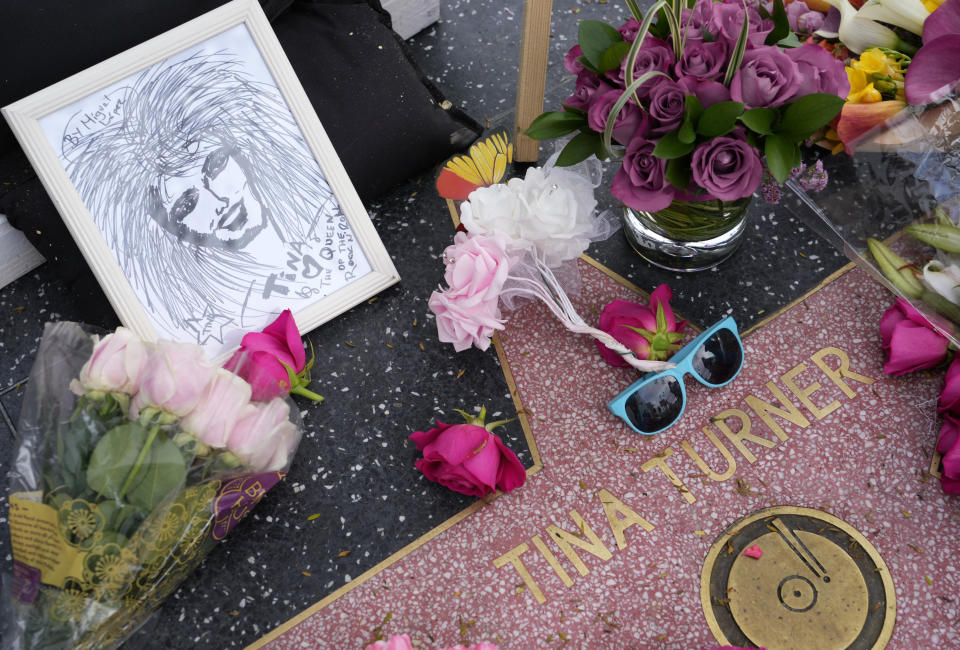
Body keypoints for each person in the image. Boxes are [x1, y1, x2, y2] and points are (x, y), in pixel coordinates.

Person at [60, 49, 368, 348]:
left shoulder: (330, 221)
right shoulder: (211, 320)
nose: (218, 200)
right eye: (187, 203)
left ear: (242, 150)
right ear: (167, 227)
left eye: (216, 165)